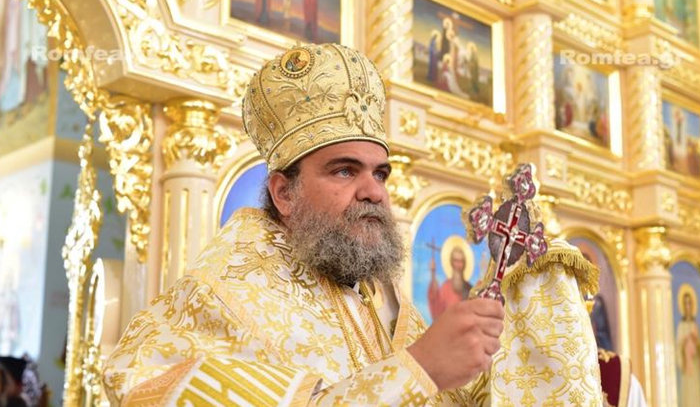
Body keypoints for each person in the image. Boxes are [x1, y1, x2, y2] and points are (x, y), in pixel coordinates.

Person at [102, 43, 504, 406]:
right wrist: (418, 371)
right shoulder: (221, 297)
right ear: (284, 193)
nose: (374, 192)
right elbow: (142, 387)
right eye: (345, 171)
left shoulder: (384, 300)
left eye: (380, 174)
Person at [428, 241, 472, 320]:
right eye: (456, 261)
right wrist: (433, 274)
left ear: (464, 264)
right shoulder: (446, 287)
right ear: (451, 263)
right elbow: (437, 310)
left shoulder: (469, 288)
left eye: (461, 261)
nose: (458, 265)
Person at [676, 287, 700, 406]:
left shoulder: (695, 324)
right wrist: (685, 342)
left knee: (697, 394)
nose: (688, 306)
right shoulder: (681, 326)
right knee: (688, 395)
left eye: (689, 303)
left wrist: (696, 342)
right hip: (687, 367)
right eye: (685, 303)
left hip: (695, 365)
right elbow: (678, 347)